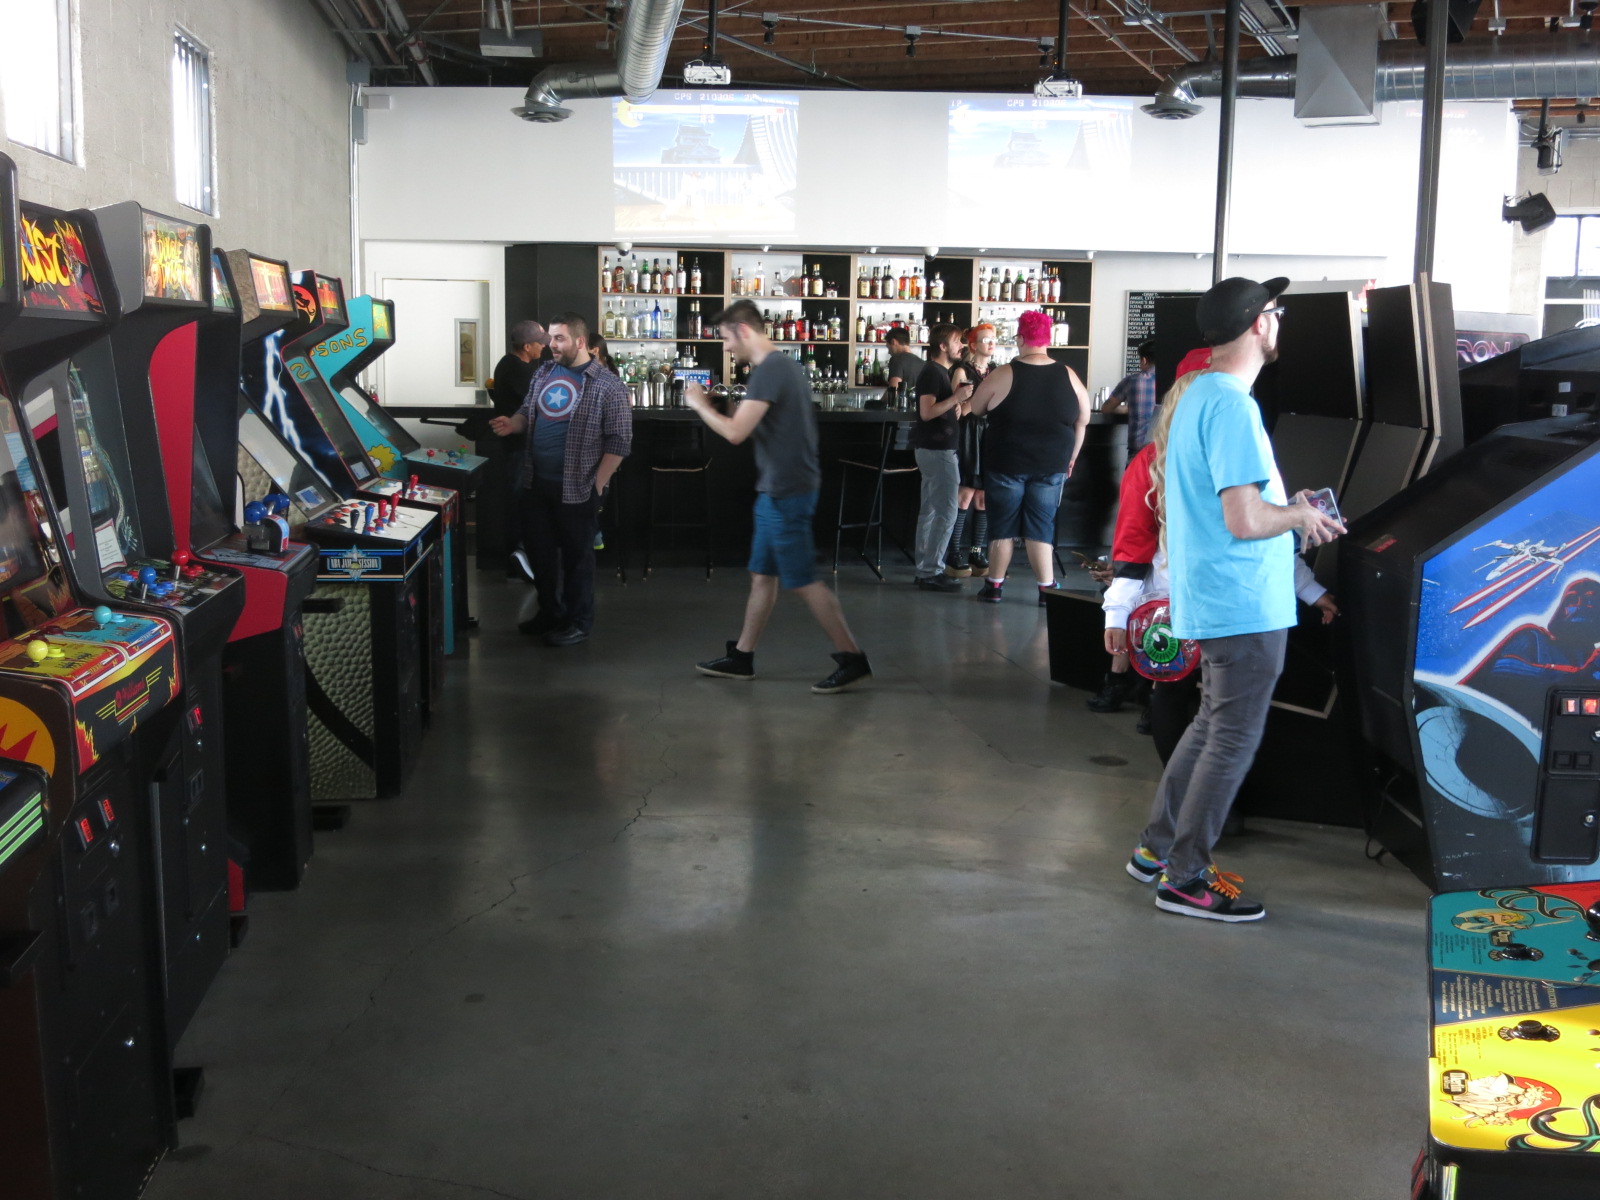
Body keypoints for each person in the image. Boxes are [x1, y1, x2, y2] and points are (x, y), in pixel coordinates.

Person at [1126, 277, 1345, 923]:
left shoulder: (1198, 395)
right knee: (1230, 741)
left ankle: (1155, 849)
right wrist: (1300, 516)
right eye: (1276, 312)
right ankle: (1185, 878)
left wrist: (1286, 507)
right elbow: (1245, 519)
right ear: (1259, 324)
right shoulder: (1232, 406)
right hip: (1243, 601)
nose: (1279, 322)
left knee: (1210, 727)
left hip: (1214, 595)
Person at [684, 300, 872, 694]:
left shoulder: (771, 370)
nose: (726, 347)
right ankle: (743, 656)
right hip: (778, 488)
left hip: (788, 490)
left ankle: (852, 658)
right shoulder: (781, 367)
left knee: (803, 580)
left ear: (744, 331)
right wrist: (728, 407)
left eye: (726, 338)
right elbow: (758, 424)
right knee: (762, 575)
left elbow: (736, 433)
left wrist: (700, 405)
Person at [488, 313, 632, 647]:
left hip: (579, 486)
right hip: (535, 481)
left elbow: (620, 441)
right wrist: (513, 424)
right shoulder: (544, 372)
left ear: (580, 342)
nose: (551, 344)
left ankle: (578, 622)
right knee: (540, 555)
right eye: (550, 337)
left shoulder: (608, 384)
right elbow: (528, 411)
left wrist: (598, 484)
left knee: (577, 559)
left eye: (559, 338)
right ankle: (550, 613)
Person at [966, 310, 1090, 605]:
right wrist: (1071, 457)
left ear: (1020, 339)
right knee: (1041, 525)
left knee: (1003, 525)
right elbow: (1082, 420)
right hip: (1052, 463)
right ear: (1048, 340)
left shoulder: (1003, 373)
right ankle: (1047, 589)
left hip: (1006, 463)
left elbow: (977, 408)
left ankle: (994, 586)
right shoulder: (1069, 375)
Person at [486, 321, 550, 582]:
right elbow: (537, 405)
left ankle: (520, 558)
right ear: (527, 346)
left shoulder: (507, 364)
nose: (544, 347)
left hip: (516, 446)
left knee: (520, 502)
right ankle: (519, 559)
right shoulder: (519, 370)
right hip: (520, 446)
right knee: (521, 503)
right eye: (539, 343)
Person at [910, 324, 971, 592]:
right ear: (942, 346)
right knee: (947, 511)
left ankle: (924, 570)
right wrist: (956, 397)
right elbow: (926, 412)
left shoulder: (937, 372)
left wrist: (955, 403)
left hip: (932, 450)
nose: (962, 346)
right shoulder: (933, 372)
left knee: (931, 511)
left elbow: (936, 408)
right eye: (958, 341)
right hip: (938, 452)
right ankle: (931, 571)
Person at [944, 324, 997, 578]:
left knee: (984, 497)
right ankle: (953, 552)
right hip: (968, 433)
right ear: (973, 345)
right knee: (964, 494)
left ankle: (977, 551)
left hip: (991, 434)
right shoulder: (961, 370)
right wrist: (977, 402)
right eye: (986, 339)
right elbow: (957, 409)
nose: (991, 343)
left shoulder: (997, 371)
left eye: (994, 339)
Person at [1101, 339, 1158, 454]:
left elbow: (1106, 408)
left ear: (1144, 360)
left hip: (1138, 450)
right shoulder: (1176, 382)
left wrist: (1129, 409)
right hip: (1165, 450)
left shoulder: (1132, 381)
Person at [884, 327, 924, 397]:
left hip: (902, 403)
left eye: (888, 347)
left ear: (893, 342)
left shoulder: (896, 359)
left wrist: (878, 402)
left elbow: (894, 391)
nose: (889, 352)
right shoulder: (922, 362)